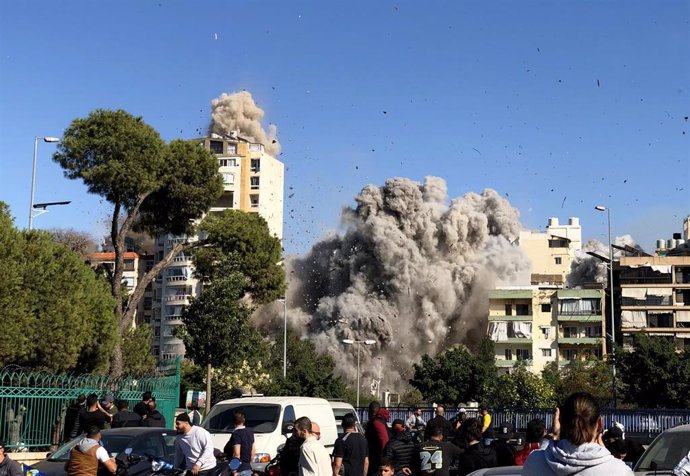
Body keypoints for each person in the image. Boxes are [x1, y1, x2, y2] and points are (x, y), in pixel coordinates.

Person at [521, 391, 634, 475]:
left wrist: (553, 435)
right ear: (600, 424)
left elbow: (542, 454)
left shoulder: (534, 462)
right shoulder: (619, 471)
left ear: (561, 421)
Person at [223, 411, 255, 476]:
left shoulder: (236, 434)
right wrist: (249, 462)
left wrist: (234, 470)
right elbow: (253, 450)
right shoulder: (250, 432)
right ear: (244, 420)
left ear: (233, 422)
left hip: (239, 470)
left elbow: (236, 454)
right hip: (248, 468)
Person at [365, 402, 390, 476]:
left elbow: (384, 439)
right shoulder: (380, 420)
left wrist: (384, 458)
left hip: (377, 459)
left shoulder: (376, 422)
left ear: (371, 411)